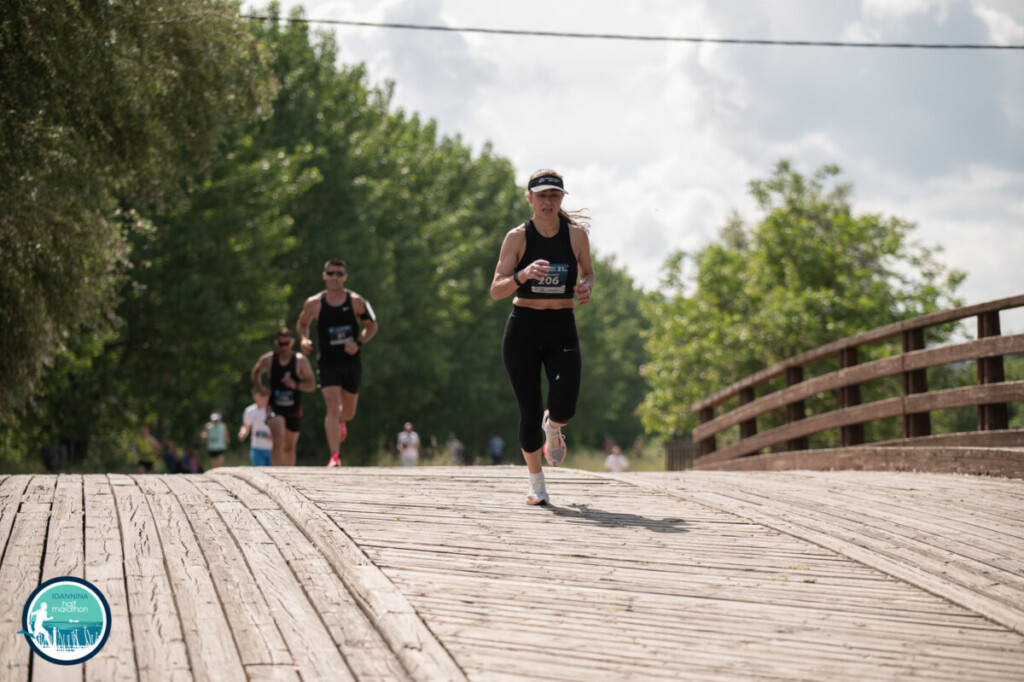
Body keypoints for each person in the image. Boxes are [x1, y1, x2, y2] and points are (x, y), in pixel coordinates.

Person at [490, 169, 595, 505]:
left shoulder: (576, 236)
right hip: (523, 329)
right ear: (529, 199)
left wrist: (586, 287)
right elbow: (496, 290)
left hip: (562, 326)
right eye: (541, 196)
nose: (547, 202)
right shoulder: (517, 238)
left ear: (562, 199)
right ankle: (537, 484)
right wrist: (522, 275)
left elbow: (589, 273)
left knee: (564, 406)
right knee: (529, 410)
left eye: (554, 195)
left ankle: (554, 427)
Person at [297, 258, 379, 467]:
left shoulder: (356, 301)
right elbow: (302, 324)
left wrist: (358, 342)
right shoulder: (314, 303)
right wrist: (304, 339)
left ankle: (341, 422)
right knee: (333, 407)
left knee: (348, 413)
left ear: (345, 277)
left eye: (339, 274)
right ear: (324, 276)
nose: (335, 277)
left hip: (350, 362)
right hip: (328, 362)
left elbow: (372, 326)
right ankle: (335, 456)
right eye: (331, 273)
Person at [251, 327, 316, 466]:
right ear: (276, 343)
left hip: (294, 408)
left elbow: (312, 385)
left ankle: (288, 474)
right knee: (278, 439)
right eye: (281, 344)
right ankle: (277, 471)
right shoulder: (269, 359)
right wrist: (260, 388)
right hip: (275, 407)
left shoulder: (300, 360)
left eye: (286, 344)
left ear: (292, 342)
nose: (284, 347)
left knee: (289, 447)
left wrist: (296, 384)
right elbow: (256, 372)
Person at [239, 387, 273, 466]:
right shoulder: (249, 411)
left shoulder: (271, 410)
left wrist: (274, 436)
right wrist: (243, 433)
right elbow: (246, 426)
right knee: (259, 471)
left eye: (265, 394)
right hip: (256, 448)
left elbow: (279, 427)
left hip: (272, 448)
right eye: (261, 394)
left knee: (272, 471)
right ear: (254, 397)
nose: (264, 397)